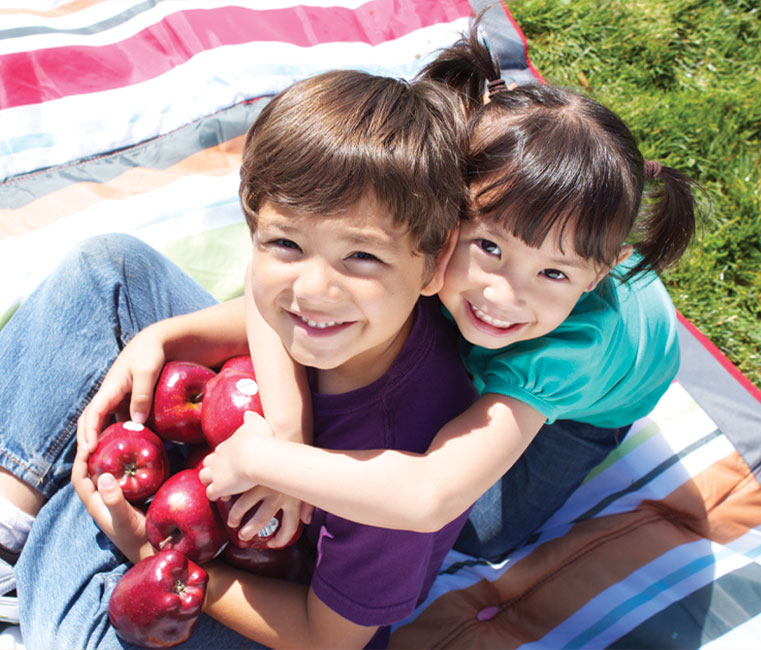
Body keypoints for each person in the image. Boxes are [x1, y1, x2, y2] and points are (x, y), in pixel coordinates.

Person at [0, 68, 477, 648]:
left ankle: (50, 562)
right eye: (286, 244)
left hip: (273, 589)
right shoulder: (354, 312)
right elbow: (263, 296)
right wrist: (169, 338)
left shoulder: (393, 466)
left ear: (433, 264)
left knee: (84, 565)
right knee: (110, 271)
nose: (313, 290)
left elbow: (325, 639)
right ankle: (8, 523)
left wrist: (151, 554)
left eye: (360, 257)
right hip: (216, 477)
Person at [200, 21, 700, 563]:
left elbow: (431, 496)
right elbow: (270, 280)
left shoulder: (566, 355)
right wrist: (289, 435)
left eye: (554, 273)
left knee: (479, 530)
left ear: (597, 276)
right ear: (451, 210)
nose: (502, 294)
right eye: (489, 248)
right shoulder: (425, 241)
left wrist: (263, 462)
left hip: (592, 403)